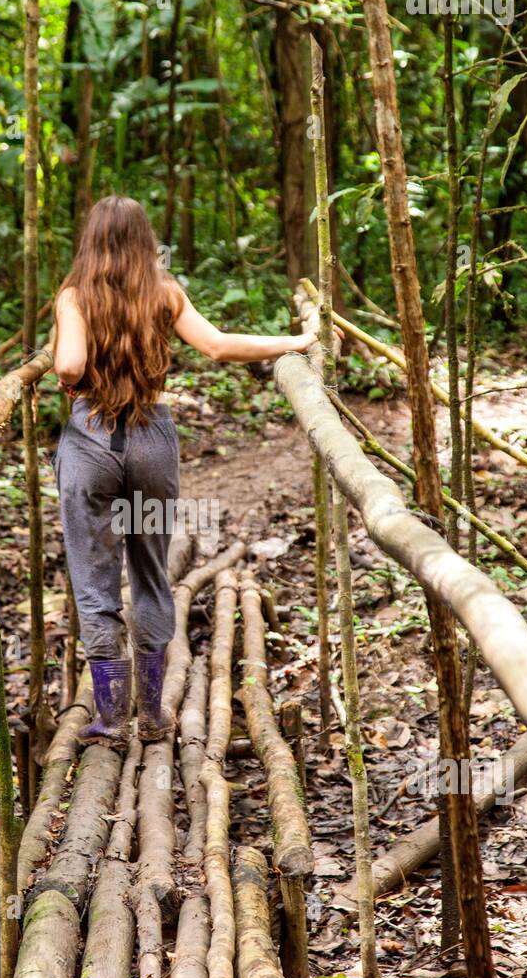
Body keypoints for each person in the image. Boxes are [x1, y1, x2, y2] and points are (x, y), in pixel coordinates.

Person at [52, 194, 333, 750]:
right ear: (142, 240)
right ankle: (154, 715)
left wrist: (68, 361)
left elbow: (68, 365)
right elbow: (219, 346)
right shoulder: (165, 293)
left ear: (92, 240)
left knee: (95, 580)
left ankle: (110, 719)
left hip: (90, 444)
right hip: (151, 441)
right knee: (152, 573)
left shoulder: (74, 296)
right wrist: (297, 340)